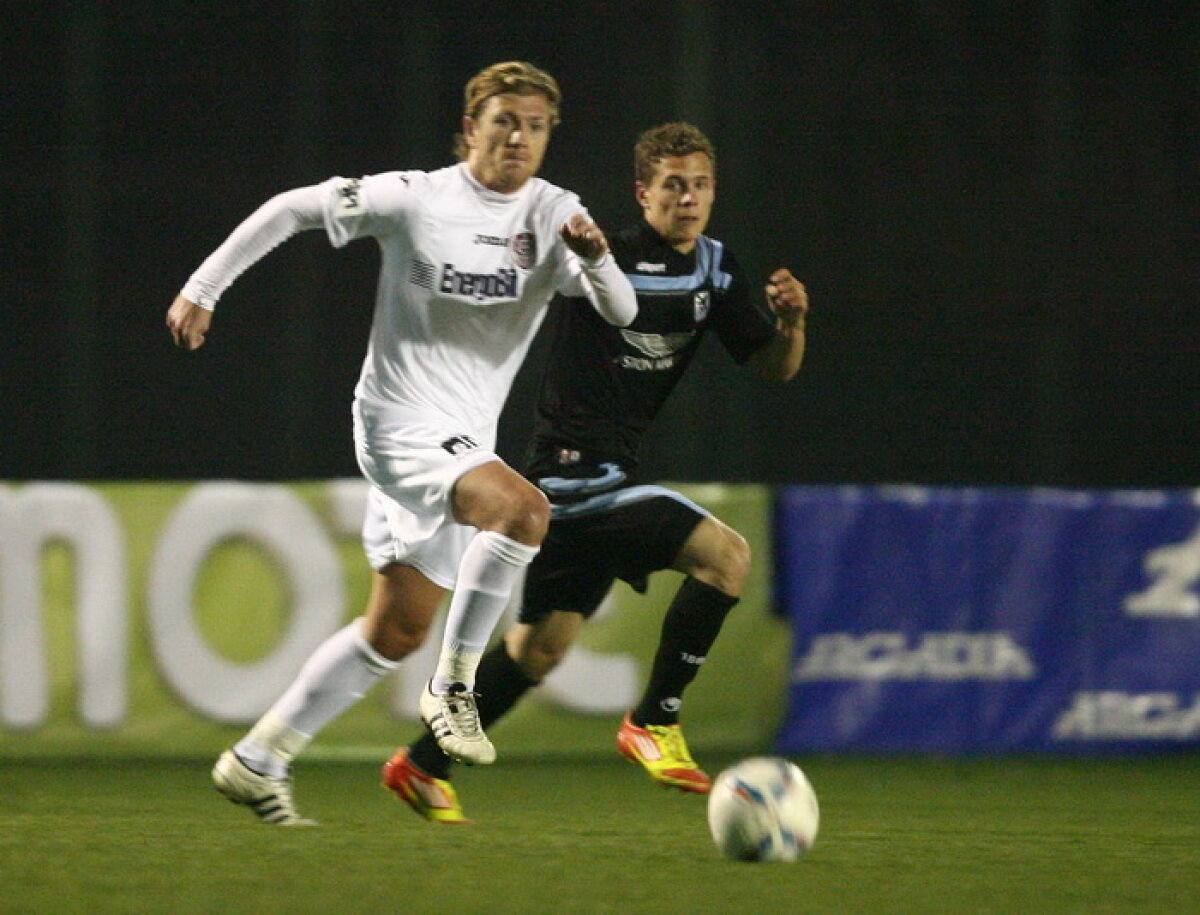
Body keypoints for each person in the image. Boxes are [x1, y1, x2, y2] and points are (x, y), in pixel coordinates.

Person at [166, 61, 637, 825]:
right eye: (504, 120)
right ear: (469, 130)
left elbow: (619, 311)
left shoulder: (557, 214)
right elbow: (293, 209)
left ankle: (257, 759)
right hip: (398, 423)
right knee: (523, 512)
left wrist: (595, 257)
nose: (519, 136)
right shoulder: (418, 198)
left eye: (536, 125)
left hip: (462, 442)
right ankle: (453, 689)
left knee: (397, 626)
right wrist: (204, 287)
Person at [381, 122, 809, 823]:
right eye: (673, 184)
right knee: (727, 555)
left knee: (537, 650)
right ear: (644, 192)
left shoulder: (715, 268)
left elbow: (772, 365)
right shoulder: (597, 258)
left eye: (700, 184)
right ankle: (655, 720)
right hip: (573, 477)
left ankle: (419, 764)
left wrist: (791, 325)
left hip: (597, 480)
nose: (689, 198)